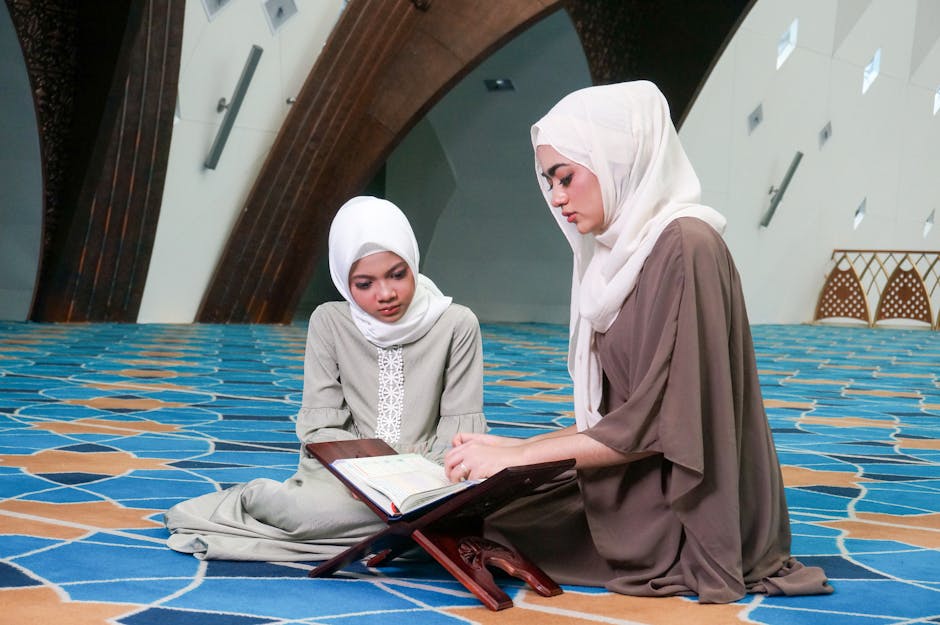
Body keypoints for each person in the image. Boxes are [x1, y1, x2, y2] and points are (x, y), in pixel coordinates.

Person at [443, 81, 833, 603]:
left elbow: (659, 425)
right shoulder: (614, 256)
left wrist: (521, 458)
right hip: (642, 474)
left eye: (566, 177)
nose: (556, 197)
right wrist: (515, 449)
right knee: (479, 508)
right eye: (549, 182)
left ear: (616, 159)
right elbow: (626, 414)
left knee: (488, 522)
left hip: (685, 502)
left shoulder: (687, 247)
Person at [165, 196, 486, 561]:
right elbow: (322, 426)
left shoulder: (457, 324)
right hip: (345, 477)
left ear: (412, 262)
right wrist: (364, 475)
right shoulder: (330, 322)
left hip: (434, 474)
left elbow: (460, 429)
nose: (385, 294)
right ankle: (256, 499)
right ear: (344, 281)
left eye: (397, 275)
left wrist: (424, 478)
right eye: (364, 283)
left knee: (478, 509)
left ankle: (405, 525)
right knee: (312, 514)